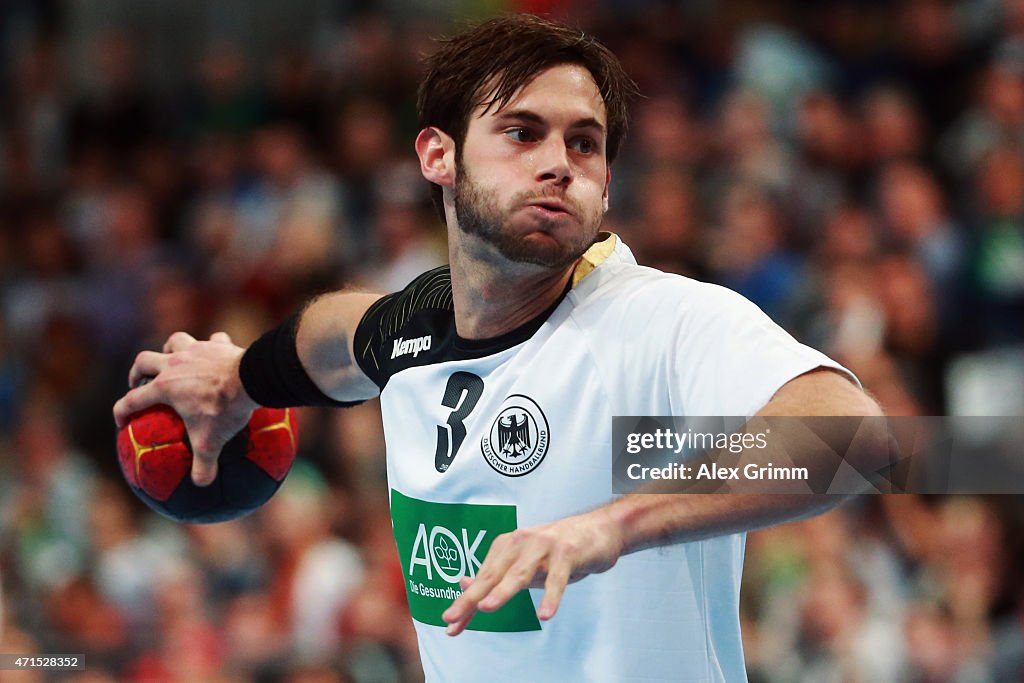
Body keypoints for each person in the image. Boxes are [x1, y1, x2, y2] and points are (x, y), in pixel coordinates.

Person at [113, 14, 883, 682]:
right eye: (522, 131)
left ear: (607, 183)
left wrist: (614, 523)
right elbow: (333, 340)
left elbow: (857, 441)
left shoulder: (662, 324)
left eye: (585, 145)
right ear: (437, 156)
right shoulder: (413, 328)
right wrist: (239, 377)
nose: (558, 163)